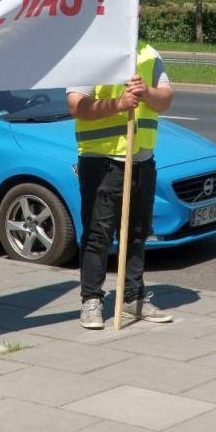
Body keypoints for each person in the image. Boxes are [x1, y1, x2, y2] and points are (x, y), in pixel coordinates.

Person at [68, 42, 175, 329]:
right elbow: (76, 104)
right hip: (102, 158)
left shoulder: (149, 55)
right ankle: (91, 300)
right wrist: (118, 104)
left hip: (141, 157)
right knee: (97, 232)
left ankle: (133, 297)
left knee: (138, 232)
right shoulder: (91, 52)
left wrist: (146, 93)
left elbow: (165, 99)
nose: (137, 6)